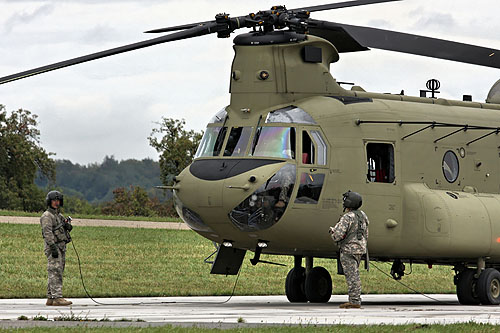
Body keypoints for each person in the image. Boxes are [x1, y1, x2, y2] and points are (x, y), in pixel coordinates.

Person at [329, 190, 369, 309]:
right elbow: (366, 234)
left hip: (348, 250)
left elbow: (338, 235)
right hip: (359, 249)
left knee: (352, 276)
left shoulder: (347, 217)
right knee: (354, 274)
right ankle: (355, 299)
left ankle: (354, 301)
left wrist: (332, 232)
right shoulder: (363, 215)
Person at [40, 190, 73, 306]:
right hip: (53, 247)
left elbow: (63, 227)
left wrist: (67, 226)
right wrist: (53, 247)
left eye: (58, 200)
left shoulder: (58, 215)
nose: (56, 203)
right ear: (49, 202)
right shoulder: (47, 216)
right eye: (54, 200)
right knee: (55, 271)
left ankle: (51, 297)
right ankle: (57, 297)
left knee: (58, 270)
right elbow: (47, 233)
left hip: (61, 246)